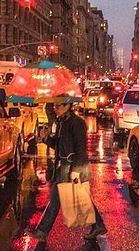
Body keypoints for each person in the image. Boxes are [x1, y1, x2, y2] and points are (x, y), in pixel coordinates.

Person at [31, 95, 107, 242]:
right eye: (55, 106)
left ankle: (42, 231)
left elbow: (80, 149)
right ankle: (97, 225)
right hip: (64, 167)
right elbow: (59, 145)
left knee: (77, 197)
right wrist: (46, 138)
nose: (55, 108)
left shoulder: (77, 123)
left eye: (58, 106)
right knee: (62, 198)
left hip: (73, 167)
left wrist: (76, 170)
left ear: (67, 106)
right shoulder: (62, 122)